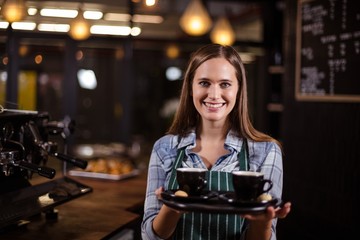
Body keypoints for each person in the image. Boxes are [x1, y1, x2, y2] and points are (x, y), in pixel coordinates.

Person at [141, 43, 291, 240]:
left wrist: (262, 222)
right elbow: (150, 236)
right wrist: (173, 207)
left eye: (225, 84)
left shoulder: (266, 151)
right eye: (204, 83)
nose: (213, 94)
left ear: (239, 90)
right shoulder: (164, 147)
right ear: (190, 88)